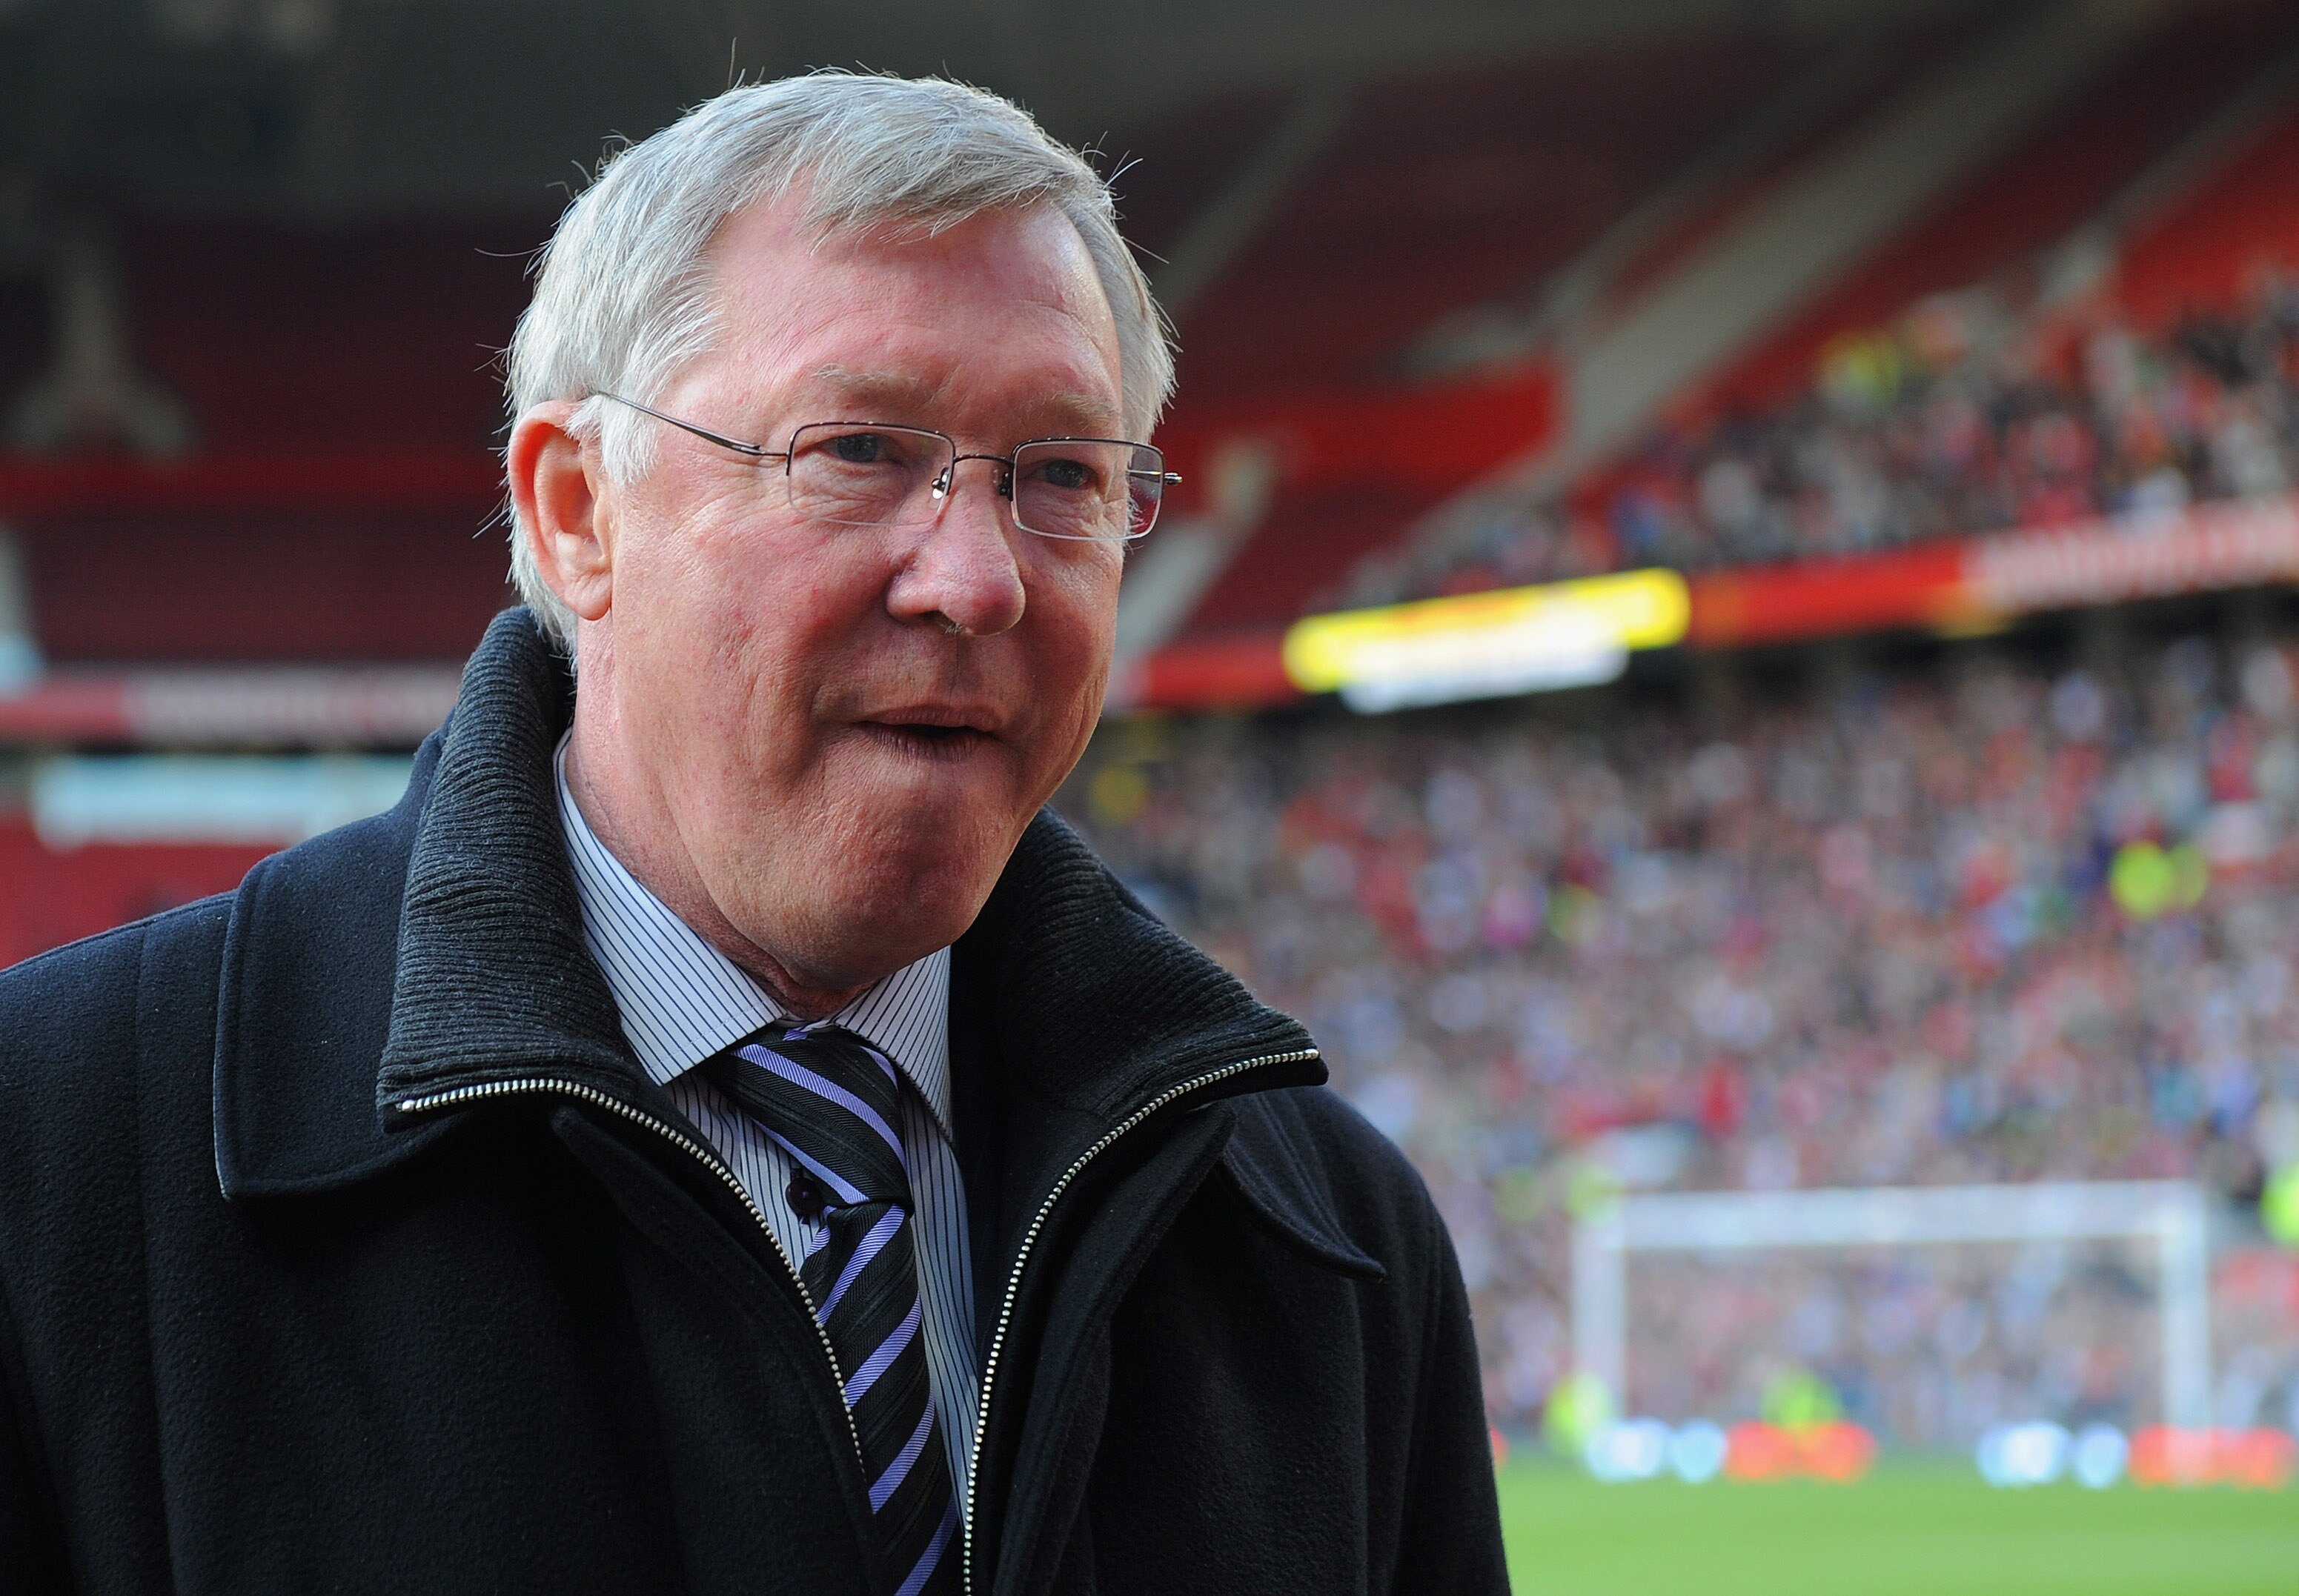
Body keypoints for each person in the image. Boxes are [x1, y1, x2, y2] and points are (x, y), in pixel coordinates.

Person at [0, 74, 1506, 1595]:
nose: (976, 579)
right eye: (854, 451)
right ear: (581, 509)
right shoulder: (60, 1163)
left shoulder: (1331, 1243)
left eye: (1063, 475)